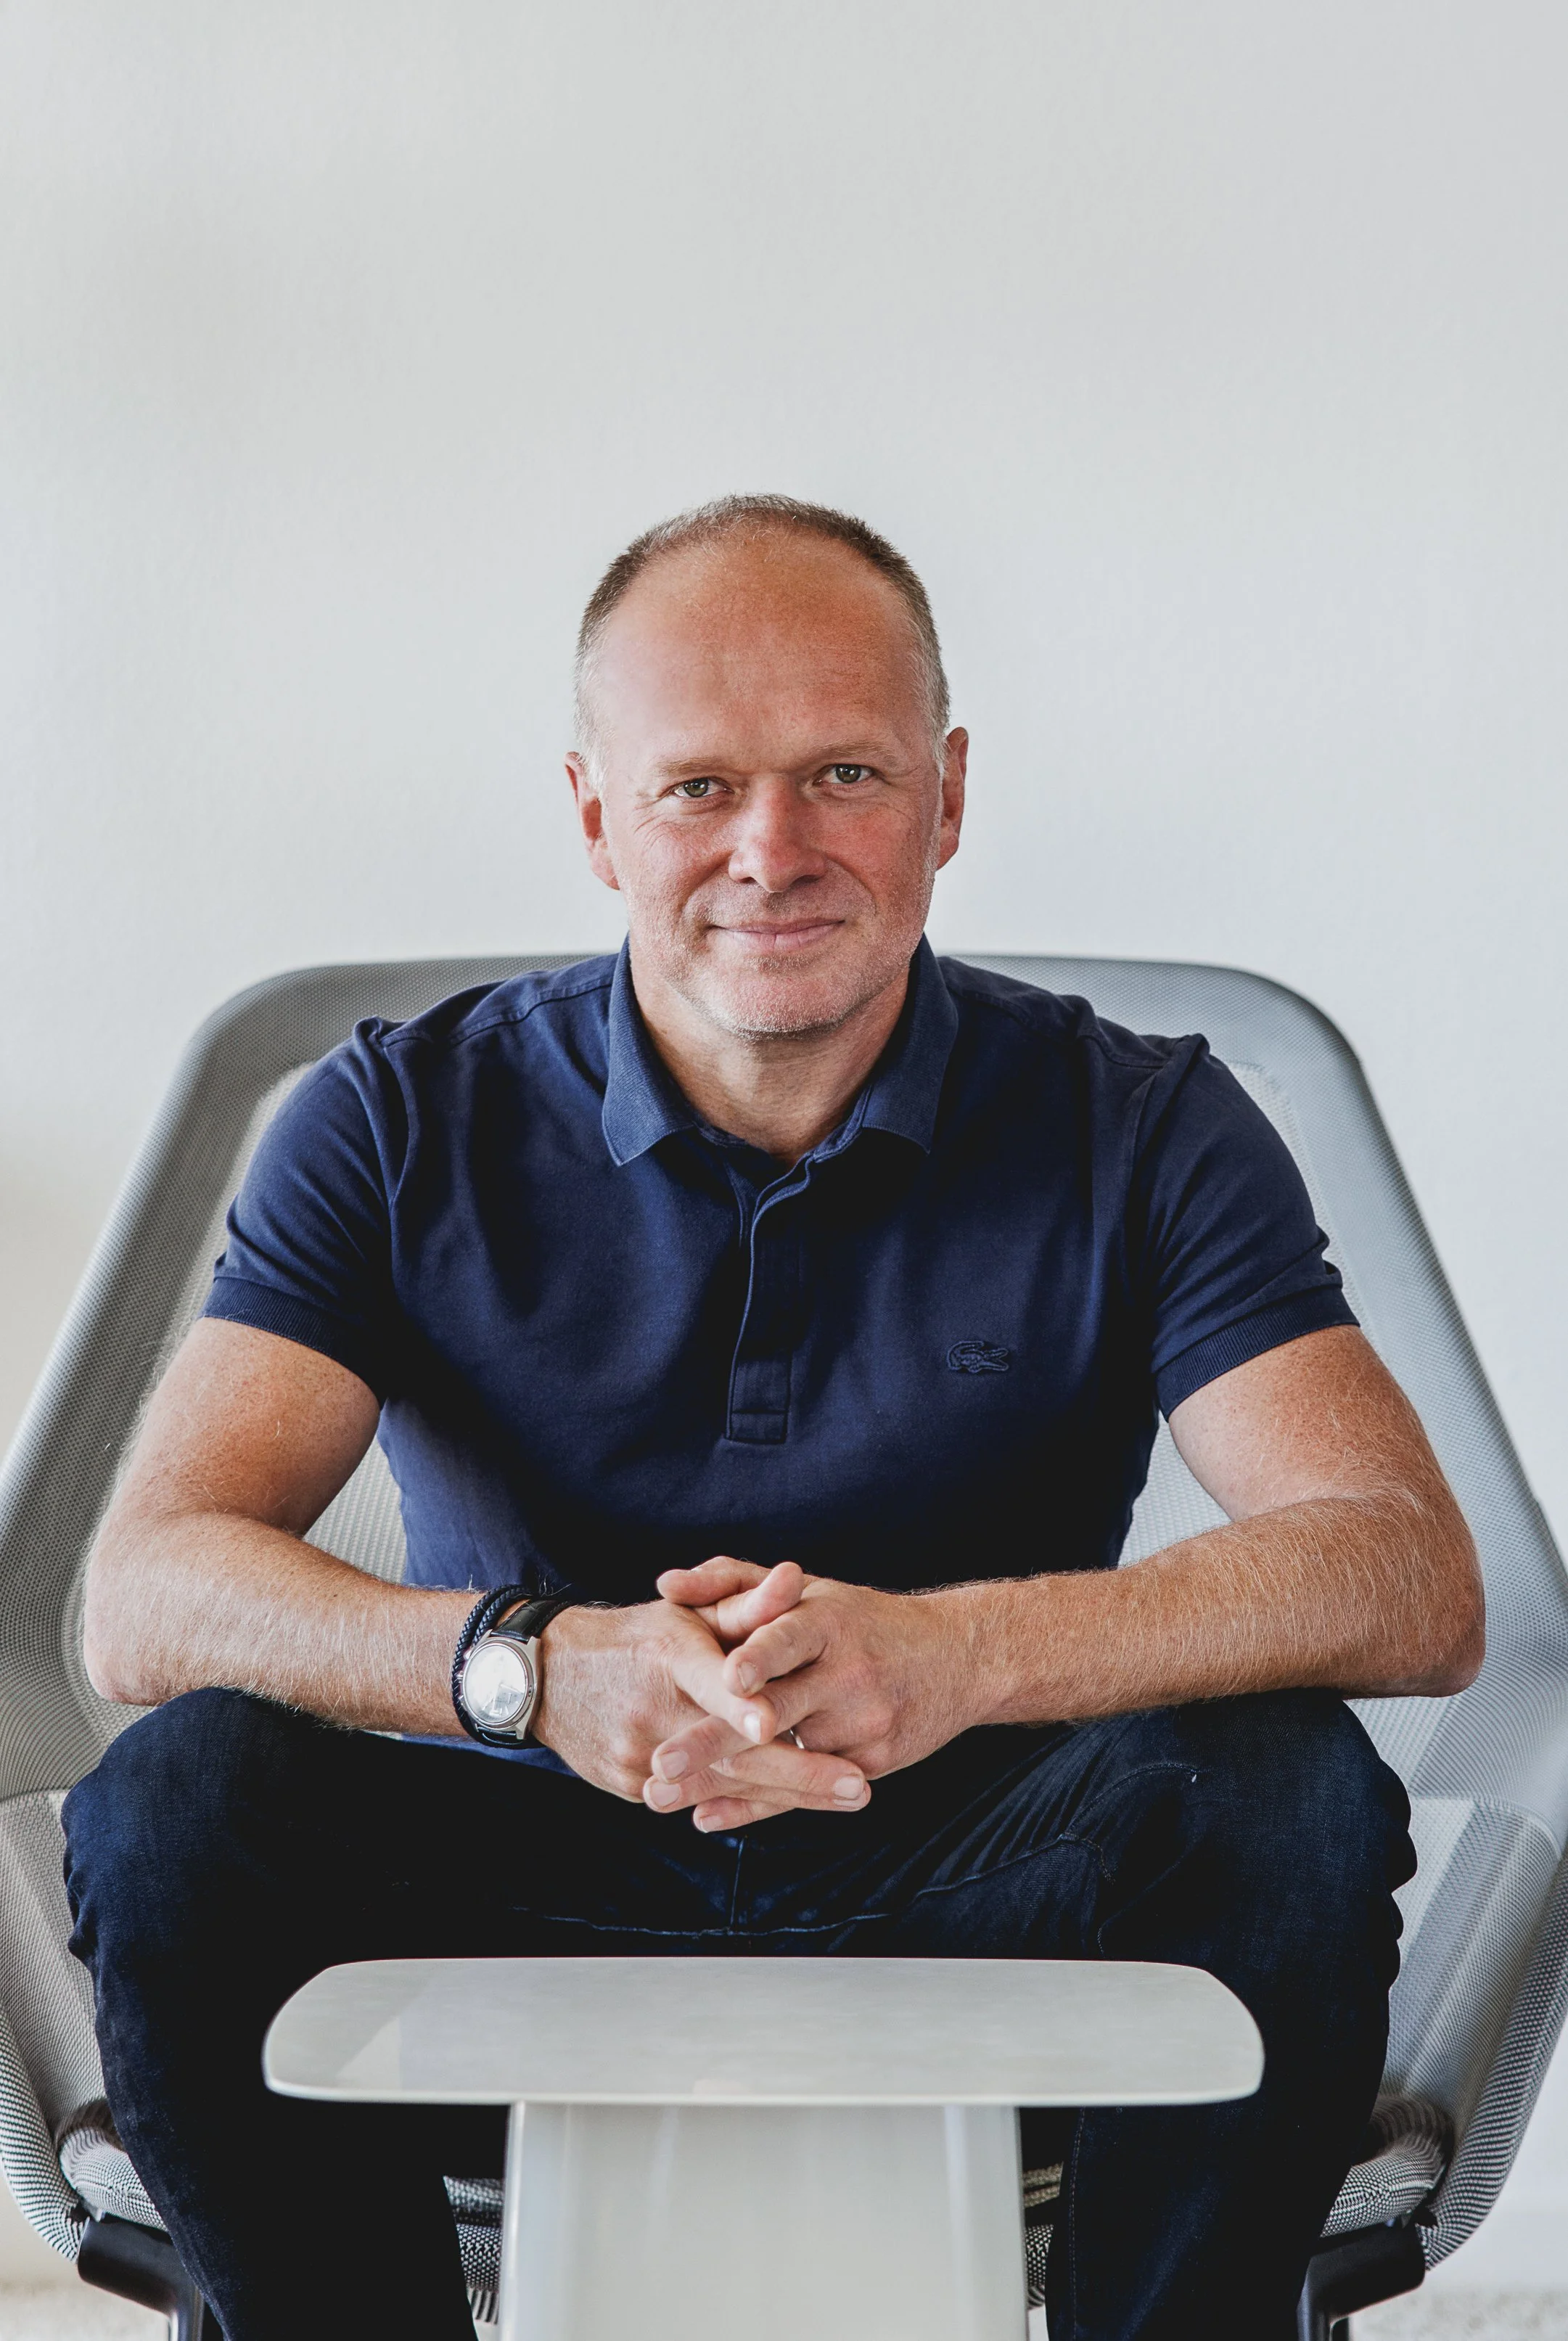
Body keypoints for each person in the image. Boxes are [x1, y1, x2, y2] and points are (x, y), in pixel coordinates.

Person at [63, 494, 1482, 2341]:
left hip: (989, 1875)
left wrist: (958, 1653)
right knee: (176, 1804)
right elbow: (148, 1594)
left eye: (845, 772)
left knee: (1290, 1790)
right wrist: (537, 1667)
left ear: (949, 797)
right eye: (695, 788)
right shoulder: (394, 1119)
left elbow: (1402, 1571)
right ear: (593, 814)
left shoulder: (1142, 1121)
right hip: (507, 1873)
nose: (773, 847)